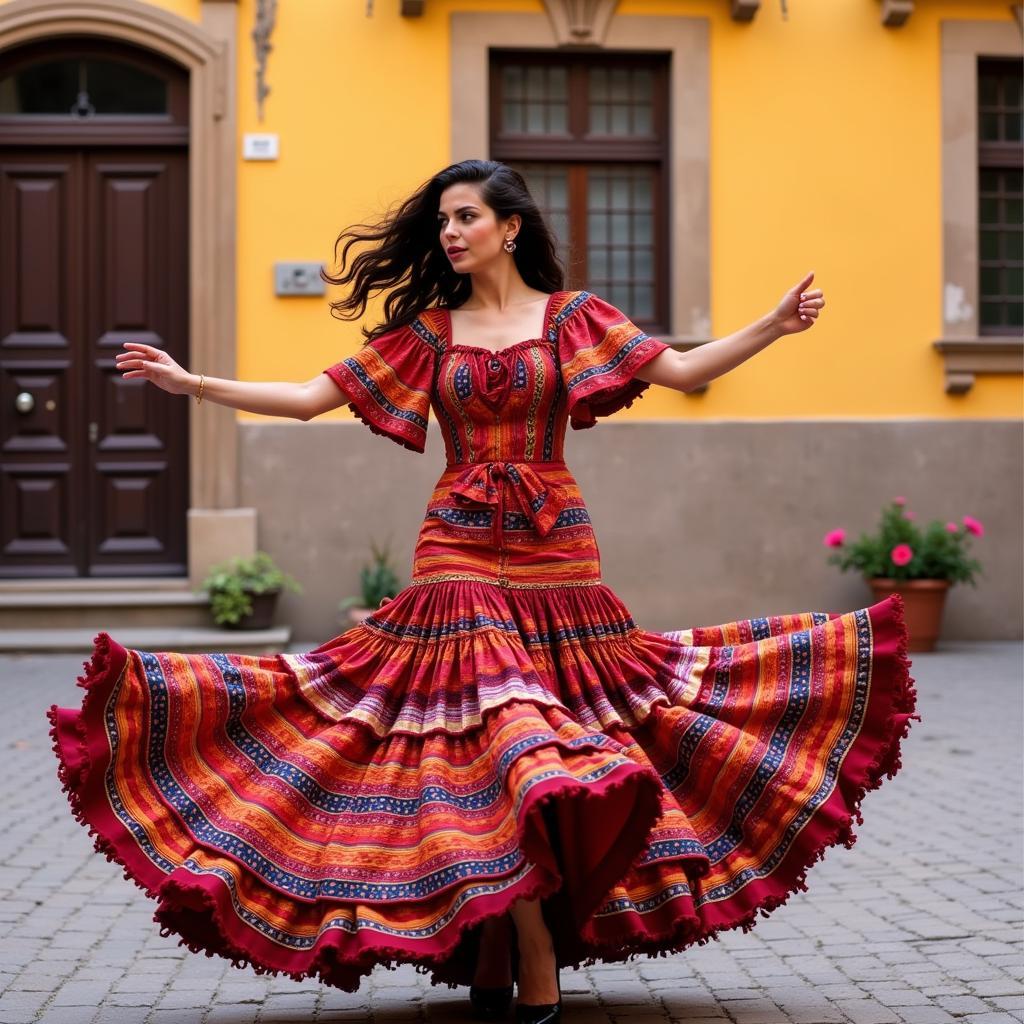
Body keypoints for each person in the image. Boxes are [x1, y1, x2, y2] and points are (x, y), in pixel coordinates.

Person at [47, 159, 917, 1024]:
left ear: (510, 227)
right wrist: (190, 382)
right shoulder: (429, 332)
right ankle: (530, 950)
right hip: (455, 553)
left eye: (465, 218)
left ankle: (503, 939)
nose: (451, 234)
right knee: (489, 740)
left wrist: (770, 324)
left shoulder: (575, 320)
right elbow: (312, 397)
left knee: (569, 734)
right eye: (442, 223)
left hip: (557, 555)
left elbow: (684, 374)